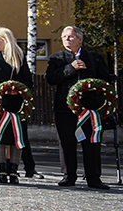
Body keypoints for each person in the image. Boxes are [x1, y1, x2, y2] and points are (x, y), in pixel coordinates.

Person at [47, 25, 115, 189]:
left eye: (70, 36)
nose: (66, 39)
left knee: (91, 142)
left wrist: (95, 88)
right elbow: (51, 78)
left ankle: (93, 177)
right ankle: (68, 176)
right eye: (64, 37)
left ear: (80, 38)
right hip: (66, 108)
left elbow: (106, 79)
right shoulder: (57, 58)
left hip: (89, 108)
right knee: (66, 142)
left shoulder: (93, 58)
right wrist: (71, 68)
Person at [0, 27, 32, 185]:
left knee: (16, 137)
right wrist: (4, 88)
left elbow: (27, 79)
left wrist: (18, 89)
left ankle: (13, 170)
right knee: (0, 137)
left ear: (5, 40)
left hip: (16, 103)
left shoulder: (19, 57)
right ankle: (1, 169)